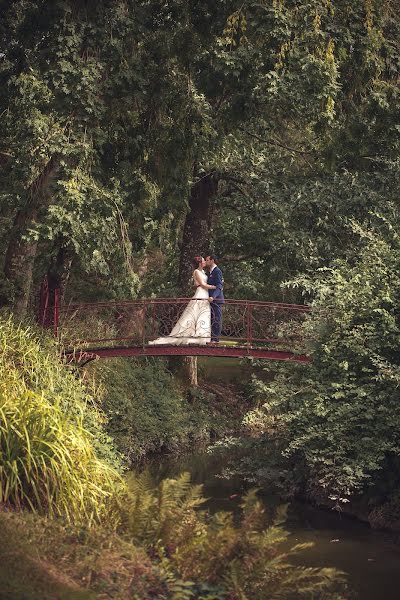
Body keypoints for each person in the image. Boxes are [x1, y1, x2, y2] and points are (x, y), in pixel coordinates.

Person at [148, 256, 216, 345]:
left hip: (205, 294)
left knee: (203, 314)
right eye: (203, 261)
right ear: (199, 263)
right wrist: (214, 287)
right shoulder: (196, 272)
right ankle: (191, 334)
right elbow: (202, 284)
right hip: (201, 292)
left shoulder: (203, 272)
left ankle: (202, 335)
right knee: (195, 312)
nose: (204, 262)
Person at [205, 255, 224, 343]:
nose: (206, 261)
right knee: (213, 319)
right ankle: (212, 338)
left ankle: (216, 339)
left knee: (217, 319)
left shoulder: (217, 271)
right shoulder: (210, 272)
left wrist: (213, 297)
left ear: (212, 261)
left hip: (216, 300)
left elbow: (219, 286)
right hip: (211, 300)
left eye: (207, 260)